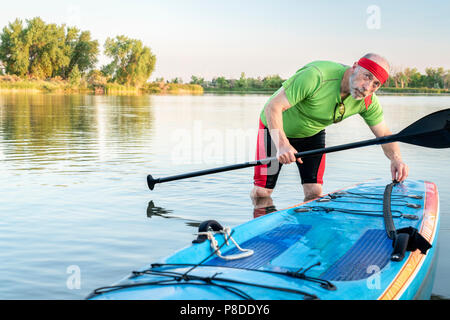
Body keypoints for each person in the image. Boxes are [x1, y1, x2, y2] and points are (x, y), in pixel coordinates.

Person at [251, 53, 409, 204]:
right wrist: (282, 144)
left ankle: (309, 227)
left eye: (376, 84)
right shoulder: (316, 76)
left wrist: (396, 159)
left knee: (314, 192)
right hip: (273, 130)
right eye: (366, 76)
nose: (367, 87)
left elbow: (384, 134)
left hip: (312, 135)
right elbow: (273, 107)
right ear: (355, 66)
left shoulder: (367, 101)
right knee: (262, 193)